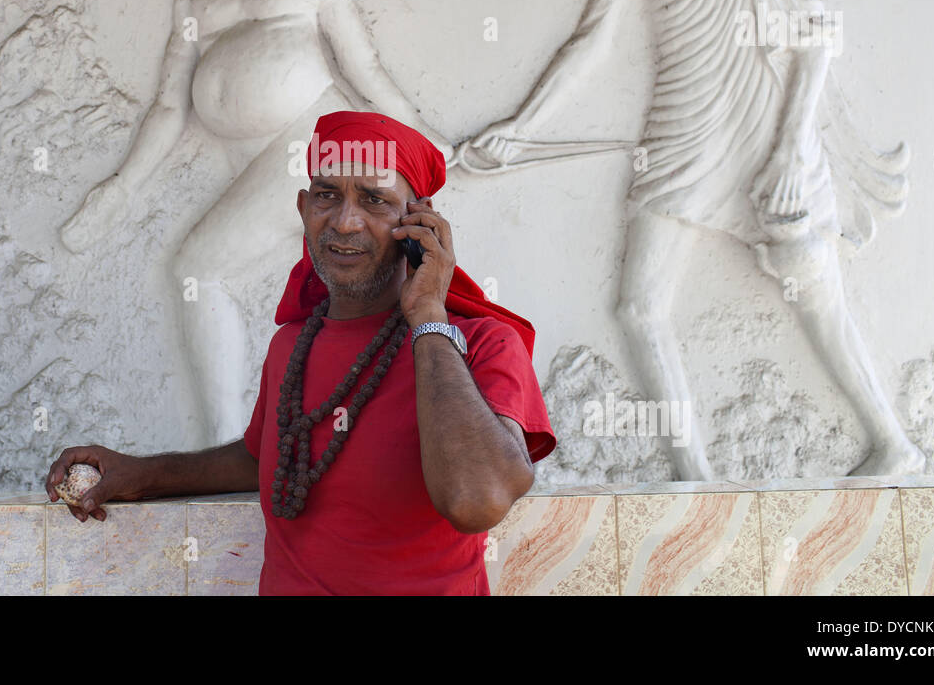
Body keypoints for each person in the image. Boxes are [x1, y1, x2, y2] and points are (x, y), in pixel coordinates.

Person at [469, 0, 921, 479]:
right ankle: (692, 473)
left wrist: (790, 146)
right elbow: (589, 45)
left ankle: (892, 440)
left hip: (773, 128)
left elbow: (815, 37)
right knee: (638, 307)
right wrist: (521, 128)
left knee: (814, 293)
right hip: (680, 134)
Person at [47, 110, 555, 595]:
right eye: (327, 195)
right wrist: (138, 474)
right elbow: (269, 453)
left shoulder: (484, 343)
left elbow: (476, 500)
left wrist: (427, 316)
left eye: (374, 200)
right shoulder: (291, 343)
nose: (346, 221)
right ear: (303, 209)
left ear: (418, 221)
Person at [59, 0, 452, 445]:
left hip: (315, 149)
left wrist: (436, 143)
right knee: (221, 275)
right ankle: (242, 442)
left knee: (198, 268)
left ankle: (227, 446)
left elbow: (366, 75)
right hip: (260, 162)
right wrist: (120, 188)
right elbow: (169, 104)